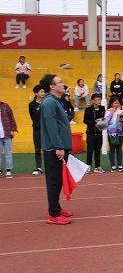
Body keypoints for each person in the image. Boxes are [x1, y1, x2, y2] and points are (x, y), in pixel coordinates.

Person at [38, 74, 73, 224]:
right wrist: (58, 147)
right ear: (52, 87)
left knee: (58, 180)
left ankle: (56, 208)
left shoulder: (56, 101)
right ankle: (53, 214)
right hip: (54, 149)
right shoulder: (49, 103)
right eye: (60, 82)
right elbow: (51, 127)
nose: (63, 84)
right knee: (54, 181)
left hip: (59, 147)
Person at [83, 93, 105, 174]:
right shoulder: (88, 109)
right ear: (93, 101)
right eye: (97, 100)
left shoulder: (102, 108)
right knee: (90, 150)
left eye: (99, 99)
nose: (99, 101)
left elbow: (104, 119)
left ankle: (97, 166)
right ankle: (88, 166)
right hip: (90, 133)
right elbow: (85, 121)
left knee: (97, 150)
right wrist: (94, 122)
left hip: (99, 133)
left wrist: (102, 122)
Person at [105, 96, 123, 172]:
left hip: (120, 133)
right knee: (112, 149)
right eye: (115, 103)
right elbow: (106, 121)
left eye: (118, 103)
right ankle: (113, 165)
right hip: (111, 133)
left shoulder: (121, 111)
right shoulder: (108, 111)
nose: (117, 104)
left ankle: (119, 164)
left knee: (119, 149)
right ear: (111, 103)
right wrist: (111, 113)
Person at [29, 85, 45, 175]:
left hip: (47, 130)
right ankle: (38, 167)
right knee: (37, 149)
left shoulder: (46, 103)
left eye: (43, 92)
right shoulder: (31, 104)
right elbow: (32, 116)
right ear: (36, 93)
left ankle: (51, 167)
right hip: (37, 130)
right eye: (41, 92)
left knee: (49, 149)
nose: (43, 93)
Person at [0, 100, 17, 179]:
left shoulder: (5, 105)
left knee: (8, 153)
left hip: (7, 133)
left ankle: (8, 170)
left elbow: (12, 118)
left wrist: (13, 130)